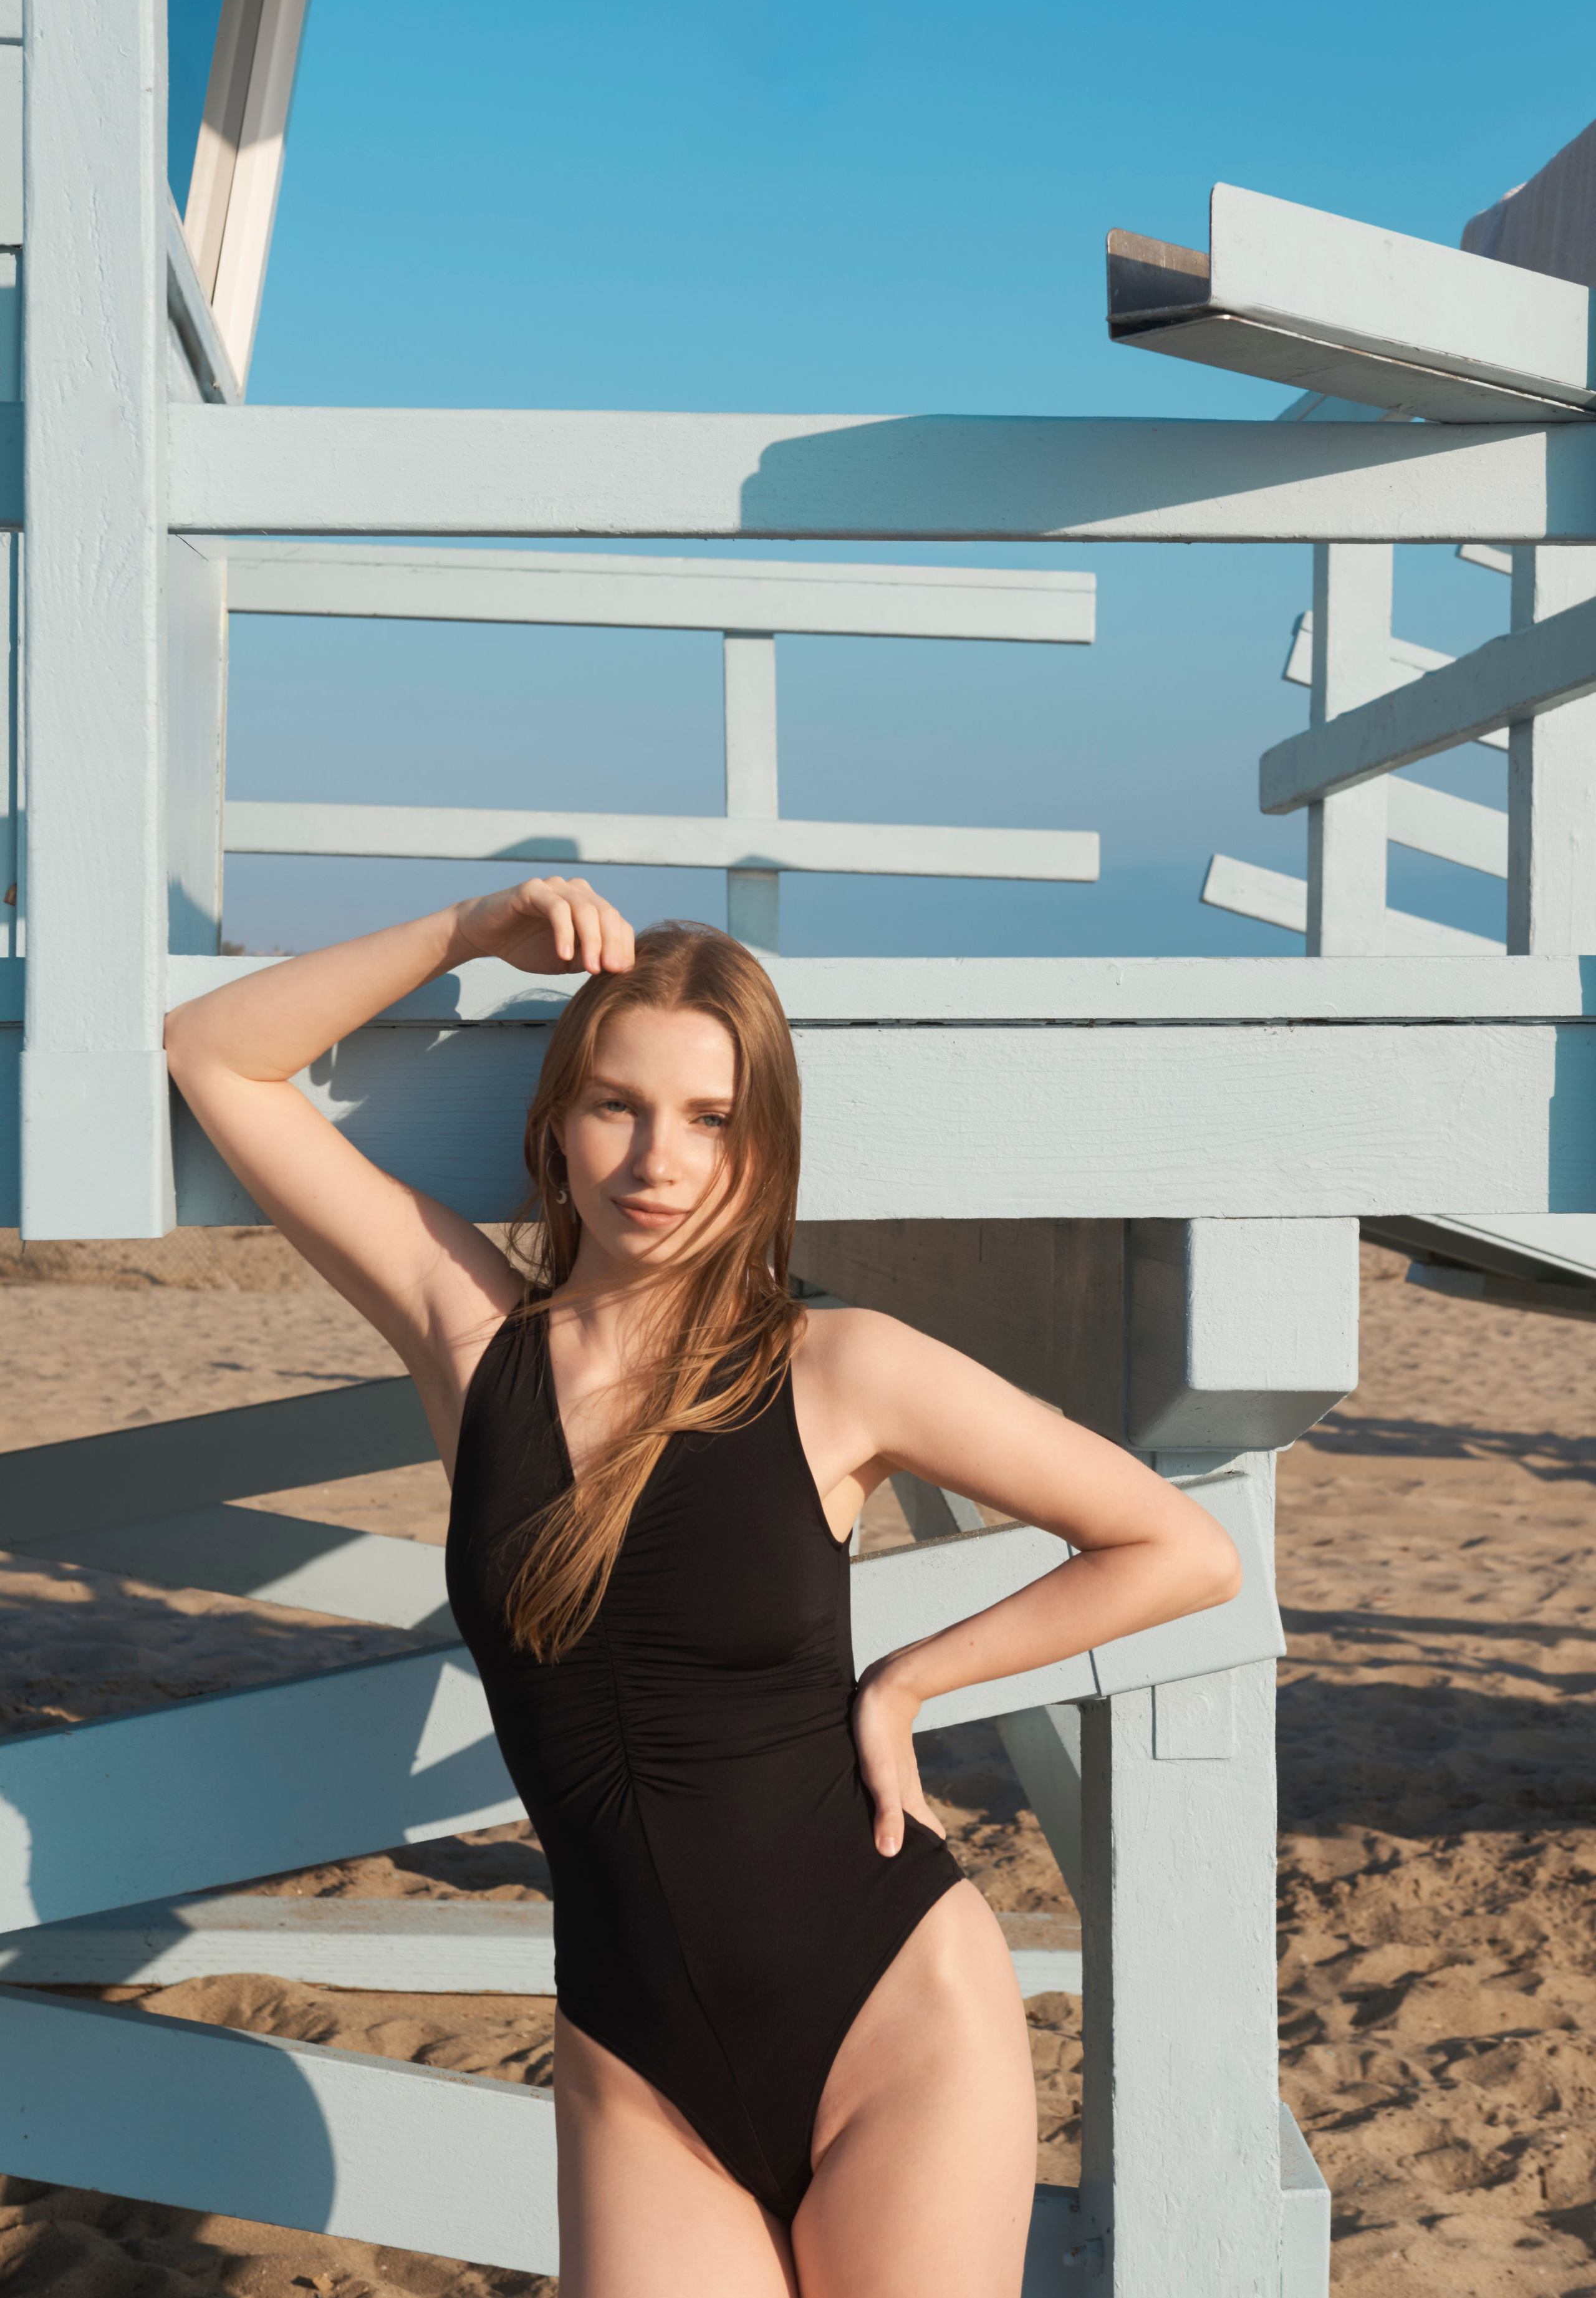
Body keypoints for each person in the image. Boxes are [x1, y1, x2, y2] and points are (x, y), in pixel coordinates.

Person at [164, 876, 1242, 2298]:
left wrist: (911, 1680)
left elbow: (1178, 1549)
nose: (653, 1161)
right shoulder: (475, 1347)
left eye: (709, 1117)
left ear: (763, 1145)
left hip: (890, 2009)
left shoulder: (839, 1366)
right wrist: (468, 934)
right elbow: (214, 1052)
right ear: (553, 1122)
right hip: (632, 2055)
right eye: (615, 1104)